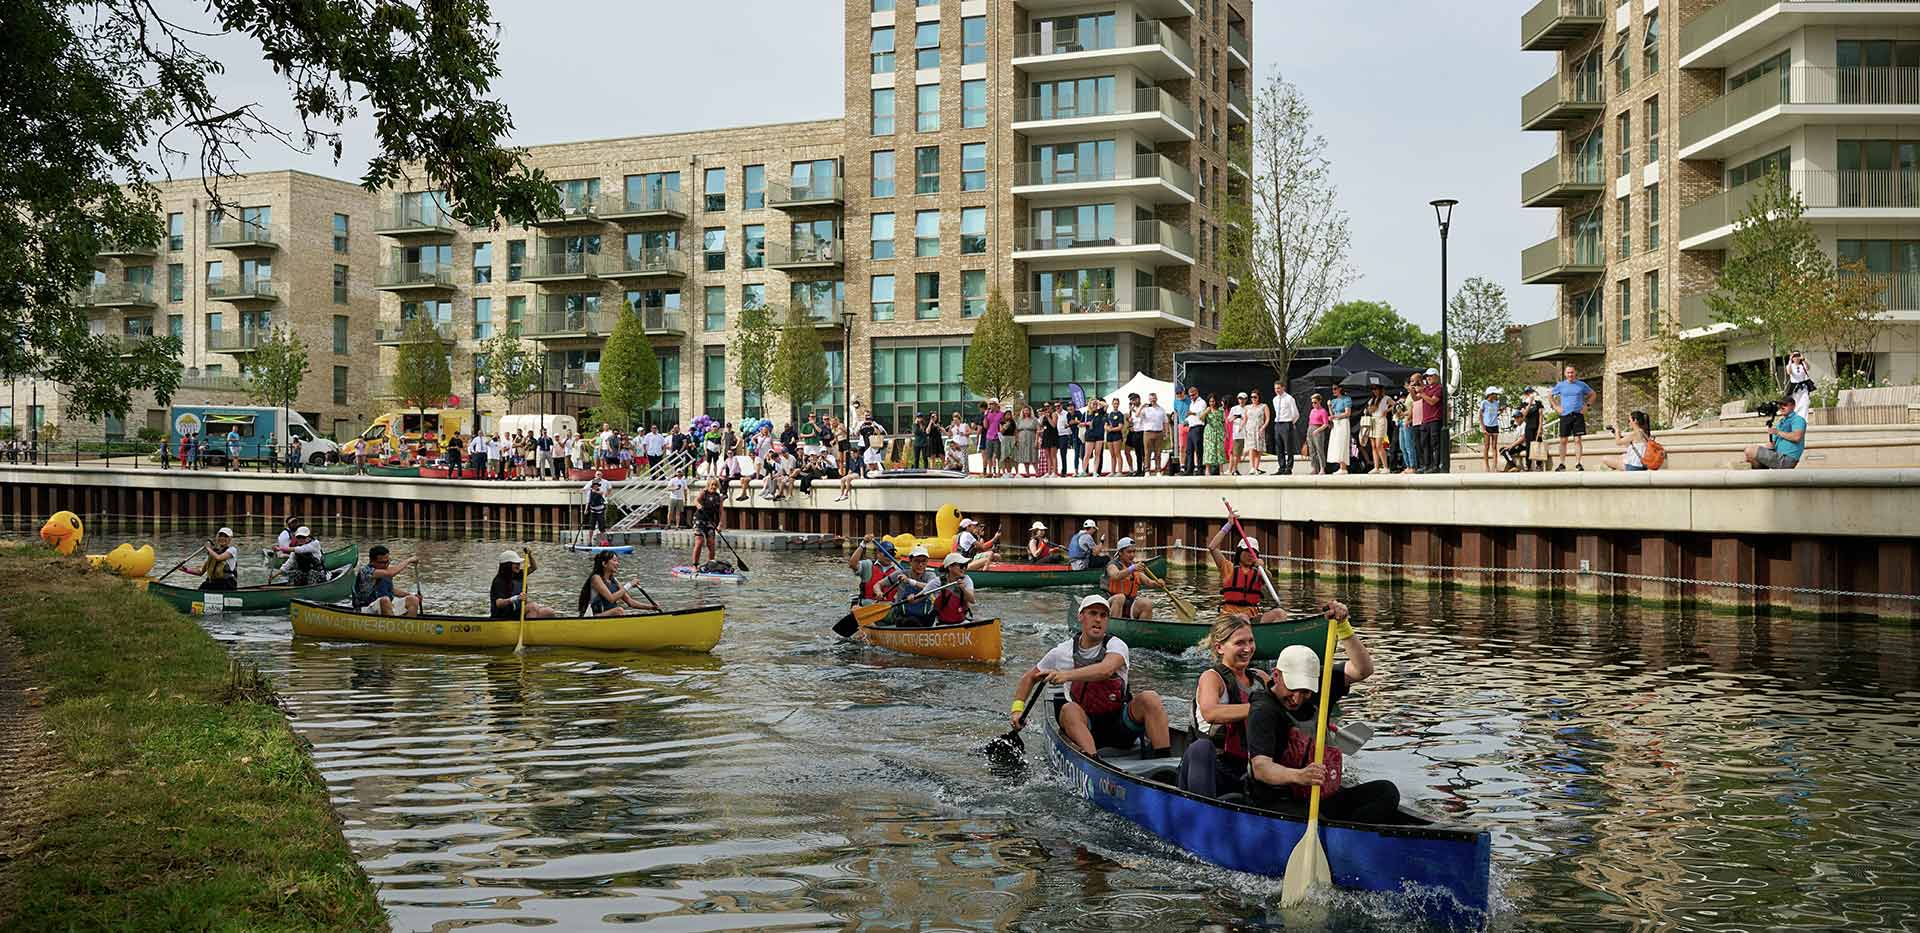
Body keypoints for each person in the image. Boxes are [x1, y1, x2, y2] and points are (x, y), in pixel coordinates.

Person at [1245, 603, 1401, 823]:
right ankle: (1344, 837)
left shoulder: (1322, 686)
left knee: (1386, 792)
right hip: (1277, 800)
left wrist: (1344, 628)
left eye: (1305, 692)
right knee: (1316, 817)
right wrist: (1299, 776)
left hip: (1319, 795)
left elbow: (1363, 670)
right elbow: (1261, 768)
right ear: (1277, 675)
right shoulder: (1263, 710)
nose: (1297, 698)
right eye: (1292, 689)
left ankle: (1349, 837)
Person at [1009, 594, 1171, 758]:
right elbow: (1029, 678)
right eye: (1093, 613)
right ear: (1081, 617)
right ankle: (1094, 763)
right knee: (1068, 709)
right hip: (1085, 725)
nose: (1098, 619)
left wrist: (1065, 675)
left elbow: (1105, 670)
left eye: (1103, 615)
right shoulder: (1061, 652)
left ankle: (1164, 765)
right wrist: (1017, 710)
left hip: (1121, 725)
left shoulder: (1117, 645)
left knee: (1150, 698)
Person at [1179, 615, 1270, 798]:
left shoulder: (1261, 678)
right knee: (1201, 747)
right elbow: (1210, 712)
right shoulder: (1212, 678)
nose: (1247, 648)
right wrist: (1259, 709)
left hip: (1247, 771)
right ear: (1219, 647)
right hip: (1210, 769)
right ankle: (1202, 812)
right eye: (1239, 643)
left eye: (1251, 641)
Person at [1207, 526, 1285, 621]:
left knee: (1280, 613)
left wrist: (1262, 568)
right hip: (1230, 618)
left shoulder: (1259, 572)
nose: (1250, 555)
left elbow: (1269, 578)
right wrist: (1229, 525)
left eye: (1253, 552)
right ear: (1239, 552)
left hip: (1252, 617)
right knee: (1242, 617)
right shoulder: (1228, 567)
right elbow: (1212, 547)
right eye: (1246, 551)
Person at [577, 551, 656, 617]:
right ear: (604, 564)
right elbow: (611, 599)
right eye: (614, 560)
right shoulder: (596, 578)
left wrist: (651, 607)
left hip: (607, 616)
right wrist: (630, 584)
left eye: (617, 561)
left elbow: (630, 602)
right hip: (593, 617)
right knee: (619, 610)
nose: (617, 563)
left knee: (621, 611)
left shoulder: (614, 580)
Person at [1549, 364, 1596, 471]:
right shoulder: (1561, 385)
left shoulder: (1581, 385)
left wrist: (1587, 406)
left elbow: (1593, 394)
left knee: (1577, 440)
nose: (1570, 374)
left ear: (1575, 373)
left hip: (1577, 415)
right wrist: (1556, 407)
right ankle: (1562, 464)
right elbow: (1550, 395)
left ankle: (1578, 463)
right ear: (1565, 374)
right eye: (1568, 372)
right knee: (1563, 440)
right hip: (1565, 415)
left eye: (1572, 372)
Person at [351, 545, 421, 616]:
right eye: (383, 562)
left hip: (386, 606)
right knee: (385, 600)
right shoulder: (365, 571)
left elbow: (391, 590)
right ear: (372, 561)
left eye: (388, 561)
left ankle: (406, 625)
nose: (387, 565)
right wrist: (409, 560)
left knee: (413, 600)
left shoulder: (385, 571)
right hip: (365, 609)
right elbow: (391, 573)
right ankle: (392, 624)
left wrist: (410, 595)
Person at [1103, 537, 1163, 620]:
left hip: (1129, 605)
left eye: (1134, 552)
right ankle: (1114, 628)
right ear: (1120, 552)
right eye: (1129, 552)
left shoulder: (1134, 567)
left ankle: (1142, 630)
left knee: (1147, 603)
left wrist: (1157, 583)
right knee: (1120, 597)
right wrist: (1132, 568)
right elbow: (1115, 576)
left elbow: (1148, 582)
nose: (1132, 555)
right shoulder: (1112, 565)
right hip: (1110, 604)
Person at [1745, 395, 1807, 470]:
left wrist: (1777, 432)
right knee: (1750, 455)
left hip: (1787, 459)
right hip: (1778, 455)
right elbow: (1772, 445)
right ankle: (1763, 479)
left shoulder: (1798, 420)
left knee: (1750, 450)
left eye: (1785, 405)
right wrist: (1766, 446)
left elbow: (1797, 437)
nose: (1782, 407)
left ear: (1793, 406)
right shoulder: (1780, 423)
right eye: (1780, 405)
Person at [886, 545, 944, 625]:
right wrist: (879, 592)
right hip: (903, 616)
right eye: (917, 561)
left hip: (924, 617)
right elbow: (878, 585)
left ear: (927, 562)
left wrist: (909, 581)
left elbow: (931, 587)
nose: (920, 564)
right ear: (910, 561)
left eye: (924, 561)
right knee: (909, 621)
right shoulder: (900, 574)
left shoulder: (931, 575)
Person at [490, 549, 555, 619]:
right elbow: (498, 603)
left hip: (518, 611)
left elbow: (533, 567)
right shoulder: (499, 581)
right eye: (516, 563)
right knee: (532, 606)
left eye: (519, 563)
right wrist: (515, 598)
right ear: (507, 565)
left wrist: (529, 555)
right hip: (503, 615)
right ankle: (529, 629)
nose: (519, 565)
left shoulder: (519, 574)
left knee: (549, 612)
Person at [848, 536, 903, 606]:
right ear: (878, 553)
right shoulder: (868, 565)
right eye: (886, 554)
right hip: (868, 604)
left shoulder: (898, 570)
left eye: (892, 554)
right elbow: (852, 564)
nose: (889, 557)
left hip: (889, 606)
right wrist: (863, 544)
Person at [182, 527, 240, 591]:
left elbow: (219, 558)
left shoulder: (232, 550)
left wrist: (208, 548)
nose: (222, 538)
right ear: (217, 537)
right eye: (220, 536)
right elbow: (200, 572)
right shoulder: (212, 553)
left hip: (227, 584)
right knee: (204, 585)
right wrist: (185, 569)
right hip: (213, 583)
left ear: (230, 539)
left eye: (226, 536)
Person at [930, 552, 977, 625]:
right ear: (950, 567)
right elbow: (921, 595)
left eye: (965, 565)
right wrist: (912, 597)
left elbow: (972, 600)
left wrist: (963, 589)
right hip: (942, 624)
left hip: (961, 622)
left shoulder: (966, 579)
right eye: (961, 566)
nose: (964, 568)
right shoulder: (937, 581)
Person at [691, 479, 724, 567]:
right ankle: (695, 565)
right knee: (699, 542)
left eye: (715, 485)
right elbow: (696, 500)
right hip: (699, 519)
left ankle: (711, 565)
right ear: (708, 485)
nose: (713, 487)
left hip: (710, 521)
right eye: (712, 485)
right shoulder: (703, 493)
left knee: (711, 544)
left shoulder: (719, 497)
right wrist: (698, 505)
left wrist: (720, 524)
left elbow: (721, 511)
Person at [1240, 388, 1269, 475]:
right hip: (1250, 430)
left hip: (1259, 430)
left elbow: (1267, 419)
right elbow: (1245, 419)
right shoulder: (1247, 407)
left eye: (1255, 397)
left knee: (1258, 450)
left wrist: (1263, 427)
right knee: (1251, 448)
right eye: (1252, 397)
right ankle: (1252, 467)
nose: (1253, 399)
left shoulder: (1264, 406)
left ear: (1259, 397)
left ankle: (1256, 468)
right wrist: (1241, 426)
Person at [1273, 382, 1299, 477]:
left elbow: (1295, 413)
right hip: (1277, 424)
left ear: (1283, 388)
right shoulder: (1275, 399)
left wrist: (1291, 423)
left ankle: (1289, 468)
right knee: (1279, 447)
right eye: (1276, 388)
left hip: (1286, 423)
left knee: (1288, 447)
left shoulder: (1289, 398)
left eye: (1279, 388)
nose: (1277, 390)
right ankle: (1281, 467)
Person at [1325, 385, 1351, 475]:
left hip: (1343, 423)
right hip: (1336, 424)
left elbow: (1347, 413)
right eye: (1332, 389)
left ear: (1340, 389)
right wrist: (1329, 406)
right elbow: (1332, 413)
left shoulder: (1346, 399)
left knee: (1342, 443)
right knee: (1336, 444)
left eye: (1335, 389)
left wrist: (1335, 416)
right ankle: (1341, 466)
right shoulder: (1333, 401)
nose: (1333, 390)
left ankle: (1343, 467)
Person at [1367, 385, 1392, 475]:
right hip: (1373, 420)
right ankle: (1376, 467)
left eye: (1376, 389)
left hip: (1381, 420)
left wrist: (1387, 410)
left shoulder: (1386, 398)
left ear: (1380, 389)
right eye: (1373, 389)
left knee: (1379, 445)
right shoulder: (1372, 400)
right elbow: (1369, 411)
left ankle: (1385, 467)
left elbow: (1395, 405)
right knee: (1373, 445)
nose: (1374, 391)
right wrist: (1370, 409)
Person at [581, 472, 612, 542]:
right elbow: (587, 501)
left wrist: (596, 491)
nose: (596, 486)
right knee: (591, 527)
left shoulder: (600, 491)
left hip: (601, 511)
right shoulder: (590, 492)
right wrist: (586, 510)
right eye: (595, 485)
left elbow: (602, 493)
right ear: (592, 486)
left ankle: (603, 541)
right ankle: (589, 541)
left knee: (602, 527)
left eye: (597, 485)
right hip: (593, 511)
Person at [1183, 387, 1207, 475]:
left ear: (1197, 393)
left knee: (1198, 449)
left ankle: (1200, 468)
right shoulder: (1191, 403)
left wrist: (1192, 413)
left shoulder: (1202, 402)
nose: (1192, 397)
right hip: (1191, 427)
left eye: (1193, 395)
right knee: (1189, 450)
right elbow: (1190, 416)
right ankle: (1189, 469)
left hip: (1198, 427)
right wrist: (1187, 421)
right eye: (1190, 396)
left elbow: (1202, 414)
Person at [1479, 387, 1503, 473]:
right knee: (1486, 446)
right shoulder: (1484, 403)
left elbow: (1495, 413)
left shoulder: (1496, 403)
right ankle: (1486, 465)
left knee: (1494, 446)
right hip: (1487, 426)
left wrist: (1501, 411)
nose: (1496, 396)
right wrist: (1483, 427)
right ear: (1490, 394)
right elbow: (1480, 415)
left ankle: (1495, 466)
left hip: (1495, 426)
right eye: (1495, 394)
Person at [1306, 394, 1330, 474]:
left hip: (1318, 429)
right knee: (1312, 450)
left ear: (1319, 401)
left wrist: (1318, 430)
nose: (1313, 404)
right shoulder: (1312, 410)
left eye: (1315, 402)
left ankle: (1322, 469)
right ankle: (1314, 468)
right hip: (1310, 428)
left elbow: (1326, 424)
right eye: (1312, 403)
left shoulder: (1323, 411)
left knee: (1319, 450)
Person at [1203, 393, 1226, 475]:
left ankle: (1221, 470)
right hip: (1209, 432)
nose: (1212, 403)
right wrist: (1205, 412)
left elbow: (1223, 422)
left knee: (1220, 450)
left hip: (1219, 431)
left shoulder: (1221, 410)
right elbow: (1201, 419)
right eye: (1210, 401)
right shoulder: (1207, 410)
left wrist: (1225, 432)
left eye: (1213, 401)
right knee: (1209, 450)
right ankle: (1207, 470)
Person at [1786, 350, 1814, 414]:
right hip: (1795, 386)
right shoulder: (1790, 365)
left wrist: (1803, 359)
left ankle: (1804, 418)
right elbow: (1789, 372)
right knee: (1796, 403)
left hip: (1803, 386)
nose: (1796, 358)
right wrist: (1790, 360)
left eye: (1798, 356)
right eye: (1794, 356)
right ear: (1792, 358)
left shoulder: (1803, 365)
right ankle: (1797, 417)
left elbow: (1808, 368)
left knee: (1806, 401)